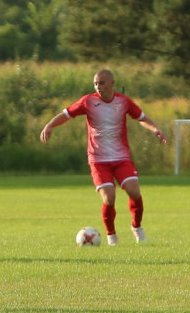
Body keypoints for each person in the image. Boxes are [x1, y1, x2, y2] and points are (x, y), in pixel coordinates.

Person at [40, 69, 167, 246]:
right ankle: (111, 235)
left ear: (112, 83)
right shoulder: (88, 101)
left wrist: (156, 129)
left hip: (121, 158)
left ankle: (136, 227)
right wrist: (50, 125)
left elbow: (141, 117)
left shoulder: (123, 102)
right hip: (98, 160)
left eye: (102, 83)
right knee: (109, 197)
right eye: (95, 83)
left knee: (134, 191)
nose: (98, 86)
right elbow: (66, 114)